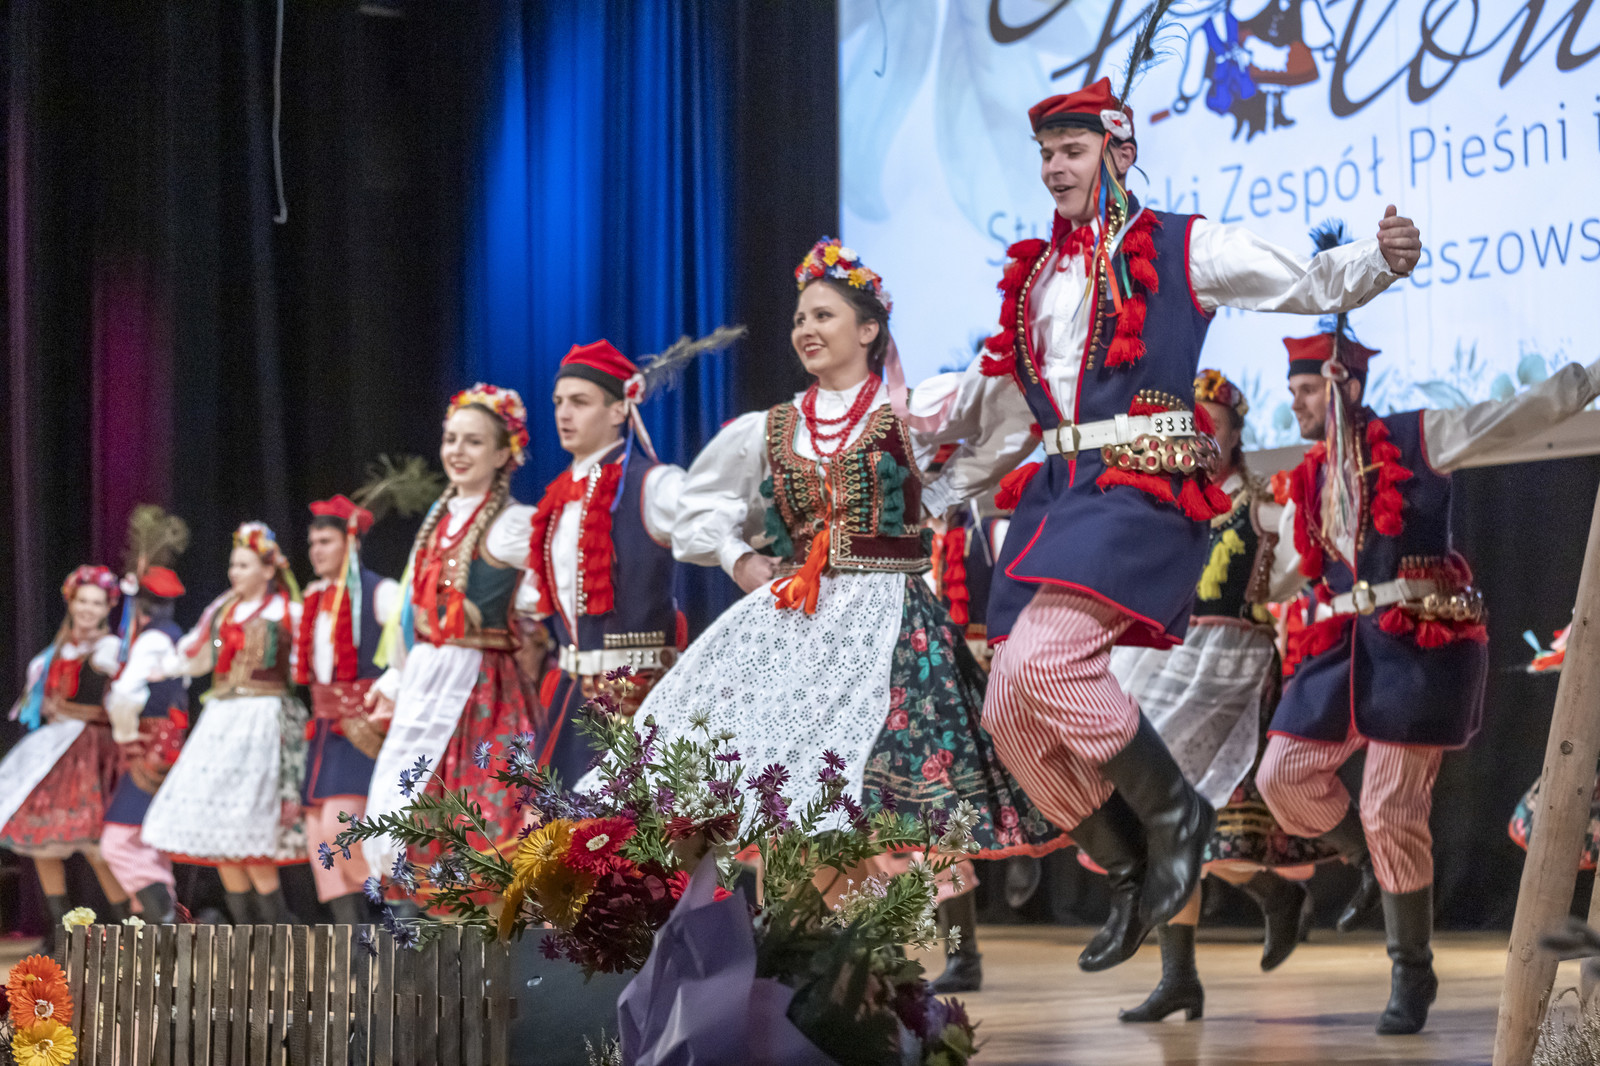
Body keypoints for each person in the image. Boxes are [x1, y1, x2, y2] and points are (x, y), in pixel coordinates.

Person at [915, 76, 1420, 973]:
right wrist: (935, 479)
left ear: (1120, 151)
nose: (1054, 168)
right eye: (1045, 154)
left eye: (1072, 151)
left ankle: (1175, 816)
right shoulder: (1037, 279)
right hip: (1057, 493)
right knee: (1008, 711)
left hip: (1136, 486)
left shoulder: (1182, 245)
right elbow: (1008, 407)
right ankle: (1128, 869)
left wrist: (1375, 263)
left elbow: (1296, 277)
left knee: (1041, 664)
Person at [628, 237, 1069, 994]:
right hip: (801, 622)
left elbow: (1010, 416)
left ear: (868, 330)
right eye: (800, 317)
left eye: (824, 315)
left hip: (891, 621)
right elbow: (695, 510)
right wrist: (740, 560)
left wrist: (941, 492)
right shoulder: (770, 428)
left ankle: (861, 971)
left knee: (874, 797)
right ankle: (812, 971)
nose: (806, 328)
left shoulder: (910, 409)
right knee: (788, 795)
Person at [1257, 332, 1600, 1033]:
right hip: (1342, 651)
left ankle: (1410, 970)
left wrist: (1588, 379)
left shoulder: (1419, 437)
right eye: (1291, 393)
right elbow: (1288, 571)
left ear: (1345, 387)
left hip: (1416, 648)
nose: (1295, 405)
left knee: (1390, 808)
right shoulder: (1309, 475)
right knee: (1281, 776)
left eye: (1307, 390)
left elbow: (1513, 414)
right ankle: (1367, 862)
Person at [1108, 369, 1336, 1023]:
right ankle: (1218, 942)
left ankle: (1191, 966)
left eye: (1213, 422)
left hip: (1227, 671)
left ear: (1237, 433)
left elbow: (1294, 575)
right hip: (1161, 664)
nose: (1202, 434)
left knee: (1193, 825)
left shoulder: (1263, 507)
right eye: (1193, 424)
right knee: (1166, 822)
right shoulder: (1165, 508)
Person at [362, 385, 539, 888]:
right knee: (415, 823)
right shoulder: (437, 522)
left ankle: (494, 933)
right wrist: (395, 678)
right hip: (426, 678)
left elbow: (554, 588)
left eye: (474, 441)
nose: (458, 451)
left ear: (504, 453)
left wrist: (527, 614)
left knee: (482, 824)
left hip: (482, 689)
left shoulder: (514, 524)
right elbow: (412, 611)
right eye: (451, 439)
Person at [531, 340, 687, 784]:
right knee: (550, 820)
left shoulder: (654, 484)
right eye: (559, 402)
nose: (564, 414)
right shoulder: (558, 498)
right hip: (570, 694)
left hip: (636, 696)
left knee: (624, 821)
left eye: (579, 402)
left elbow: (714, 528)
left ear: (620, 409)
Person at [141, 522, 309, 926]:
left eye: (245, 565)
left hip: (264, 720)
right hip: (222, 720)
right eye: (233, 565)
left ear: (268, 570)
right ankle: (247, 933)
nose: (235, 573)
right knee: (222, 836)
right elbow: (196, 655)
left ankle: (277, 930)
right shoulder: (222, 610)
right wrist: (160, 667)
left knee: (253, 831)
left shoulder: (288, 612)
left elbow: (307, 663)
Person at [0, 566, 130, 949]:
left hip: (91, 751)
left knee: (97, 848)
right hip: (53, 752)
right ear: (71, 602)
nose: (88, 609)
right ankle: (62, 931)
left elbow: (123, 699)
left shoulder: (108, 650)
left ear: (107, 608)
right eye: (82, 601)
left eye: (96, 603)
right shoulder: (51, 654)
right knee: (42, 840)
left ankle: (131, 928)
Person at [297, 495, 401, 924]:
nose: (316, 551)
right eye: (312, 543)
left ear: (351, 542)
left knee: (342, 829)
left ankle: (397, 921)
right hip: (325, 729)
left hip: (363, 729)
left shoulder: (381, 592)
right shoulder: (314, 599)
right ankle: (352, 947)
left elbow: (408, 648)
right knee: (317, 838)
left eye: (325, 541)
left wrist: (389, 690)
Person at [99, 562, 191, 924]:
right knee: (146, 841)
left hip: (149, 746)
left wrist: (123, 732)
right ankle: (163, 928)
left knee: (118, 842)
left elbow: (125, 695)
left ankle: (165, 919)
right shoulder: (173, 636)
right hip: (168, 744)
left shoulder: (152, 640)